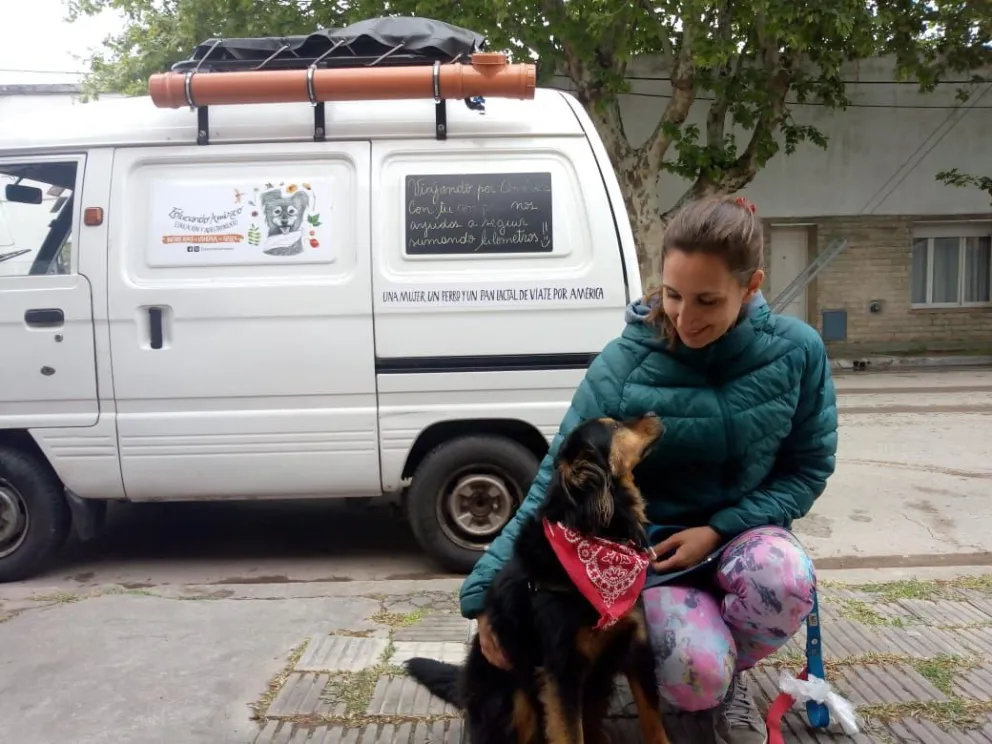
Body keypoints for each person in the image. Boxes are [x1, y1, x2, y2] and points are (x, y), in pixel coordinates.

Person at [458, 194, 838, 743]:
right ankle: (707, 680)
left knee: (784, 578)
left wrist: (717, 530)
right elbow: (553, 482)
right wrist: (483, 597)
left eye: (707, 300)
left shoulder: (798, 352)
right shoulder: (623, 364)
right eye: (673, 294)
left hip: (744, 540)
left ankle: (734, 688)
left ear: (752, 286)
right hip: (650, 557)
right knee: (692, 671)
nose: (685, 318)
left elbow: (807, 469)